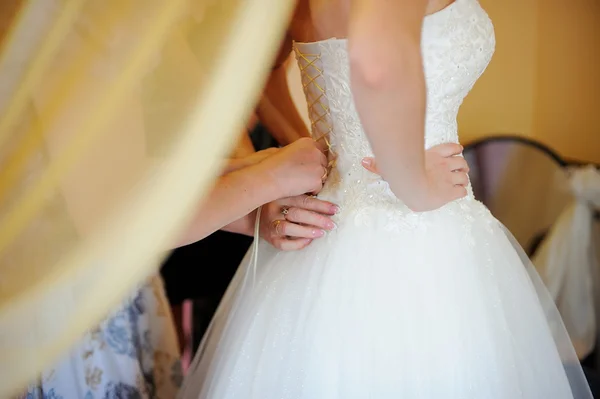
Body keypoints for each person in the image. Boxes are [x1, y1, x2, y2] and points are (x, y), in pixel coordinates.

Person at [178, 0, 593, 398]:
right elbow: (375, 66)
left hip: (323, 225)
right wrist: (415, 184)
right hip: (421, 232)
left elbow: (242, 72)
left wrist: (315, 152)